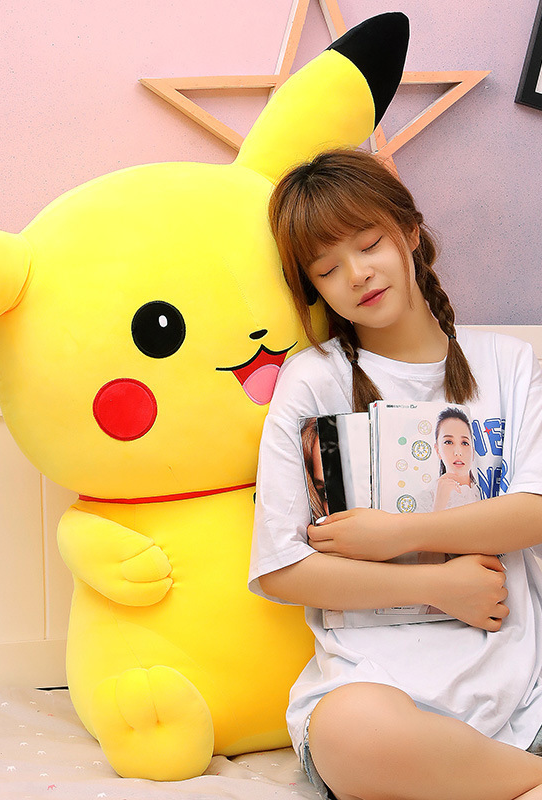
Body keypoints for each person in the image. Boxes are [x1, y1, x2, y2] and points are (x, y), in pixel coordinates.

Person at [249, 148, 542, 800]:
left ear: (409, 232)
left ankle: (484, 776)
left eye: (369, 244)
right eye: (327, 268)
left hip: (523, 678)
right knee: (349, 735)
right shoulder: (312, 381)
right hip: (377, 684)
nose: (357, 275)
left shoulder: (507, 363)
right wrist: (438, 585)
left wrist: (398, 534)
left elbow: (535, 508)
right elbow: (281, 569)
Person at [431, 406, 480, 511]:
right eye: (449, 442)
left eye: (465, 443)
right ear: (437, 450)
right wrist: (439, 505)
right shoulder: (427, 497)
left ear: (473, 451)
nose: (458, 452)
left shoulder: (484, 492)